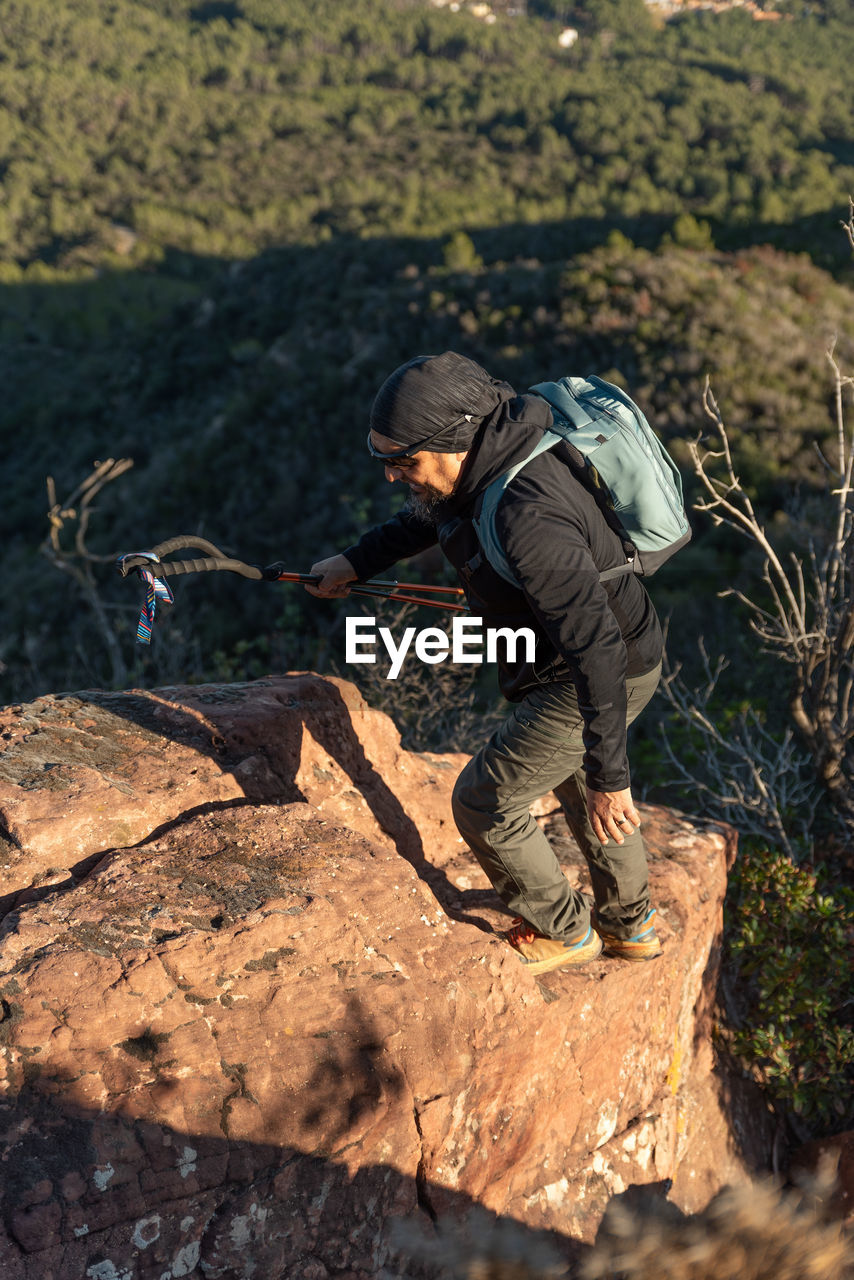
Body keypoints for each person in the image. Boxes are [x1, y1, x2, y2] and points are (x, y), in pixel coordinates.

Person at [307, 351, 664, 976]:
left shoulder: (528, 516)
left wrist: (614, 775)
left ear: (450, 441)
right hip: (600, 660)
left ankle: (567, 932)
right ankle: (630, 927)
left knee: (486, 801)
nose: (392, 476)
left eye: (402, 461)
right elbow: (434, 515)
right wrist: (356, 561)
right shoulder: (486, 459)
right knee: (579, 788)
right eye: (384, 460)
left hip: (598, 671)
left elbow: (597, 652)